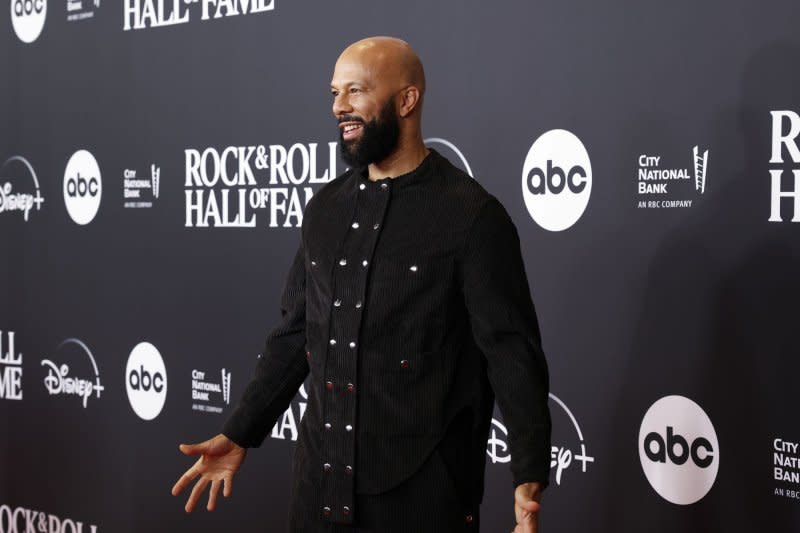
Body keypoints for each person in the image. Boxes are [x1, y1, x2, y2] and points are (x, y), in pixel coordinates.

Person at [172, 36, 551, 533]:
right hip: (319, 493)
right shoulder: (325, 210)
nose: (339, 107)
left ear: (407, 99)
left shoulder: (471, 217)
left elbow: (511, 354)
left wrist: (528, 476)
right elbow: (295, 334)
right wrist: (241, 431)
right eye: (334, 93)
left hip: (423, 500)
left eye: (355, 91)